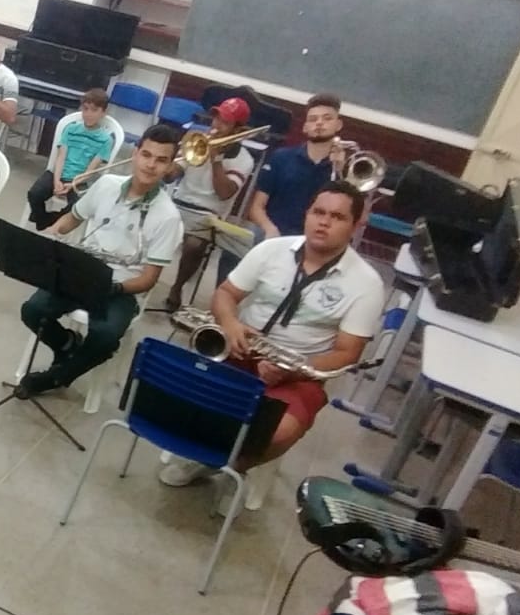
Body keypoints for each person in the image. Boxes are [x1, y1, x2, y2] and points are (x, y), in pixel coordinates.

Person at [160, 180, 386, 505]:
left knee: (281, 431)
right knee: (180, 388)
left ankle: (228, 467)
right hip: (239, 349)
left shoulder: (367, 283)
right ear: (307, 213)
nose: (323, 222)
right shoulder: (272, 250)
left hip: (300, 371)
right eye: (318, 212)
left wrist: (294, 369)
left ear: (354, 226)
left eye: (337, 217)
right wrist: (231, 323)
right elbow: (226, 293)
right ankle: (202, 451)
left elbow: (348, 352)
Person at [18, 124, 184, 397]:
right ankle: (67, 345)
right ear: (135, 154)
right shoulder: (107, 184)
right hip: (81, 271)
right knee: (32, 311)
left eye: (161, 160)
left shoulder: (168, 216)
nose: (151, 165)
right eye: (146, 155)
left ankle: (55, 378)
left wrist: (114, 288)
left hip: (120, 288)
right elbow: (72, 218)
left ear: (169, 167)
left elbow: (148, 279)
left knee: (106, 335)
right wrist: (51, 235)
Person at [217, 92, 346, 283]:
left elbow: (350, 217)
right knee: (232, 253)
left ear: (338, 125)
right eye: (313, 119)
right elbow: (256, 207)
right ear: (305, 127)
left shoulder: (344, 168)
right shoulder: (282, 157)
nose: (319, 123)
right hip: (273, 230)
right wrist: (270, 229)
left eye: (327, 119)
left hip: (312, 240)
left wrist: (340, 171)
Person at [163, 97, 256, 310]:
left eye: (225, 122)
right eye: (216, 118)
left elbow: (224, 193)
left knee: (195, 245)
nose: (216, 125)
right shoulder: (198, 142)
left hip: (208, 214)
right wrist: (170, 160)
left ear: (238, 130)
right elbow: (170, 177)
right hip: (178, 203)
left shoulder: (244, 159)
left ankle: (176, 288)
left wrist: (216, 159)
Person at [25, 88, 115, 231]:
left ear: (103, 112)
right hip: (58, 173)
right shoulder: (70, 129)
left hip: (80, 180)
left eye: (94, 110)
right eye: (85, 109)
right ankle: (43, 220)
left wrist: (73, 184)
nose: (88, 114)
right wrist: (57, 181)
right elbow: (61, 157)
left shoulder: (106, 140)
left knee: (78, 207)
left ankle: (48, 220)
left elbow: (90, 171)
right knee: (34, 194)